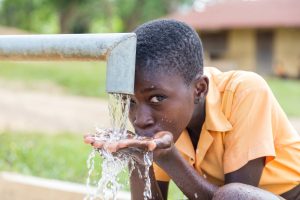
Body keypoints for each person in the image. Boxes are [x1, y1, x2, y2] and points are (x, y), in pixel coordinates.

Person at [84, 19, 300, 200]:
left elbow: (238, 195)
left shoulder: (245, 91)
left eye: (156, 98)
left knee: (232, 194)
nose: (140, 120)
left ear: (199, 89)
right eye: (130, 102)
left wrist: (168, 157)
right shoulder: (165, 125)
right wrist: (140, 159)